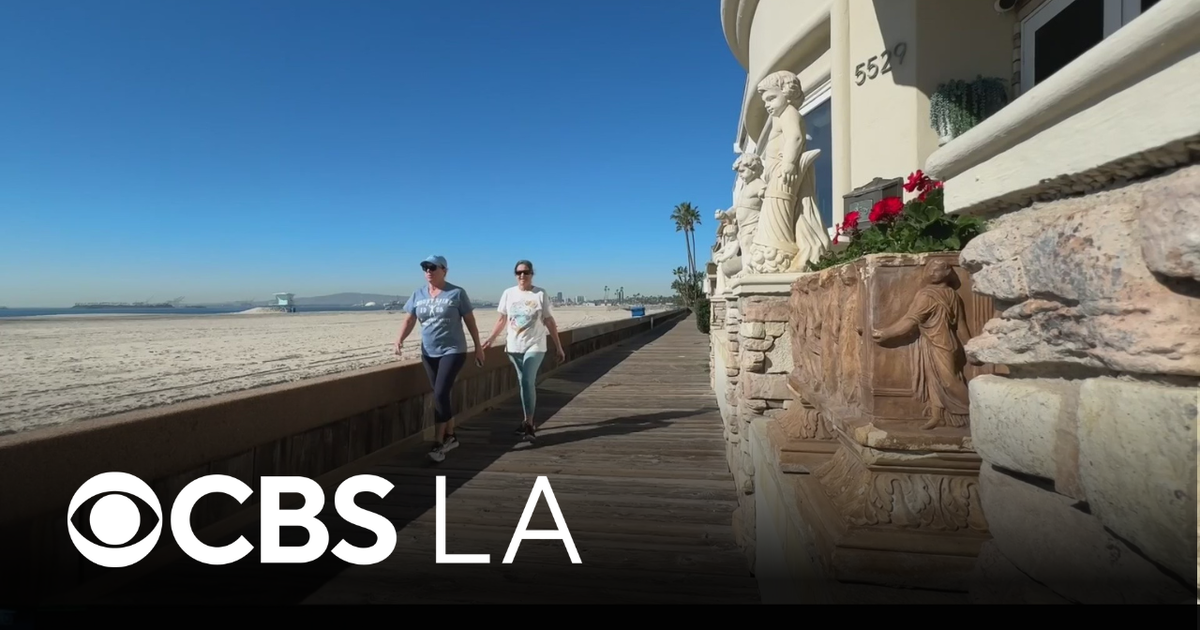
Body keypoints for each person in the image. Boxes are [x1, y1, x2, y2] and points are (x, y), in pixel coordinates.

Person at [394, 255, 485, 462]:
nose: (428, 271)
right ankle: (451, 435)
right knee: (440, 395)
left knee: (440, 393)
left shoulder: (457, 293)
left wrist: (478, 347)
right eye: (425, 267)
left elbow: (470, 321)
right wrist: (399, 339)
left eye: (433, 267)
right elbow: (409, 319)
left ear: (444, 270)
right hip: (428, 352)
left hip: (453, 350)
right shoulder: (418, 294)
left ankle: (438, 442)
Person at [482, 259, 565, 442]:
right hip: (514, 346)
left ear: (531, 274)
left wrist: (558, 346)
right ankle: (526, 420)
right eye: (518, 272)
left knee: (527, 380)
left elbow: (549, 321)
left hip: (535, 345)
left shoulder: (540, 294)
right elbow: (502, 319)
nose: (522, 275)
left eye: (525, 272)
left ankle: (529, 424)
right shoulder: (508, 293)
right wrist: (491, 338)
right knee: (523, 383)